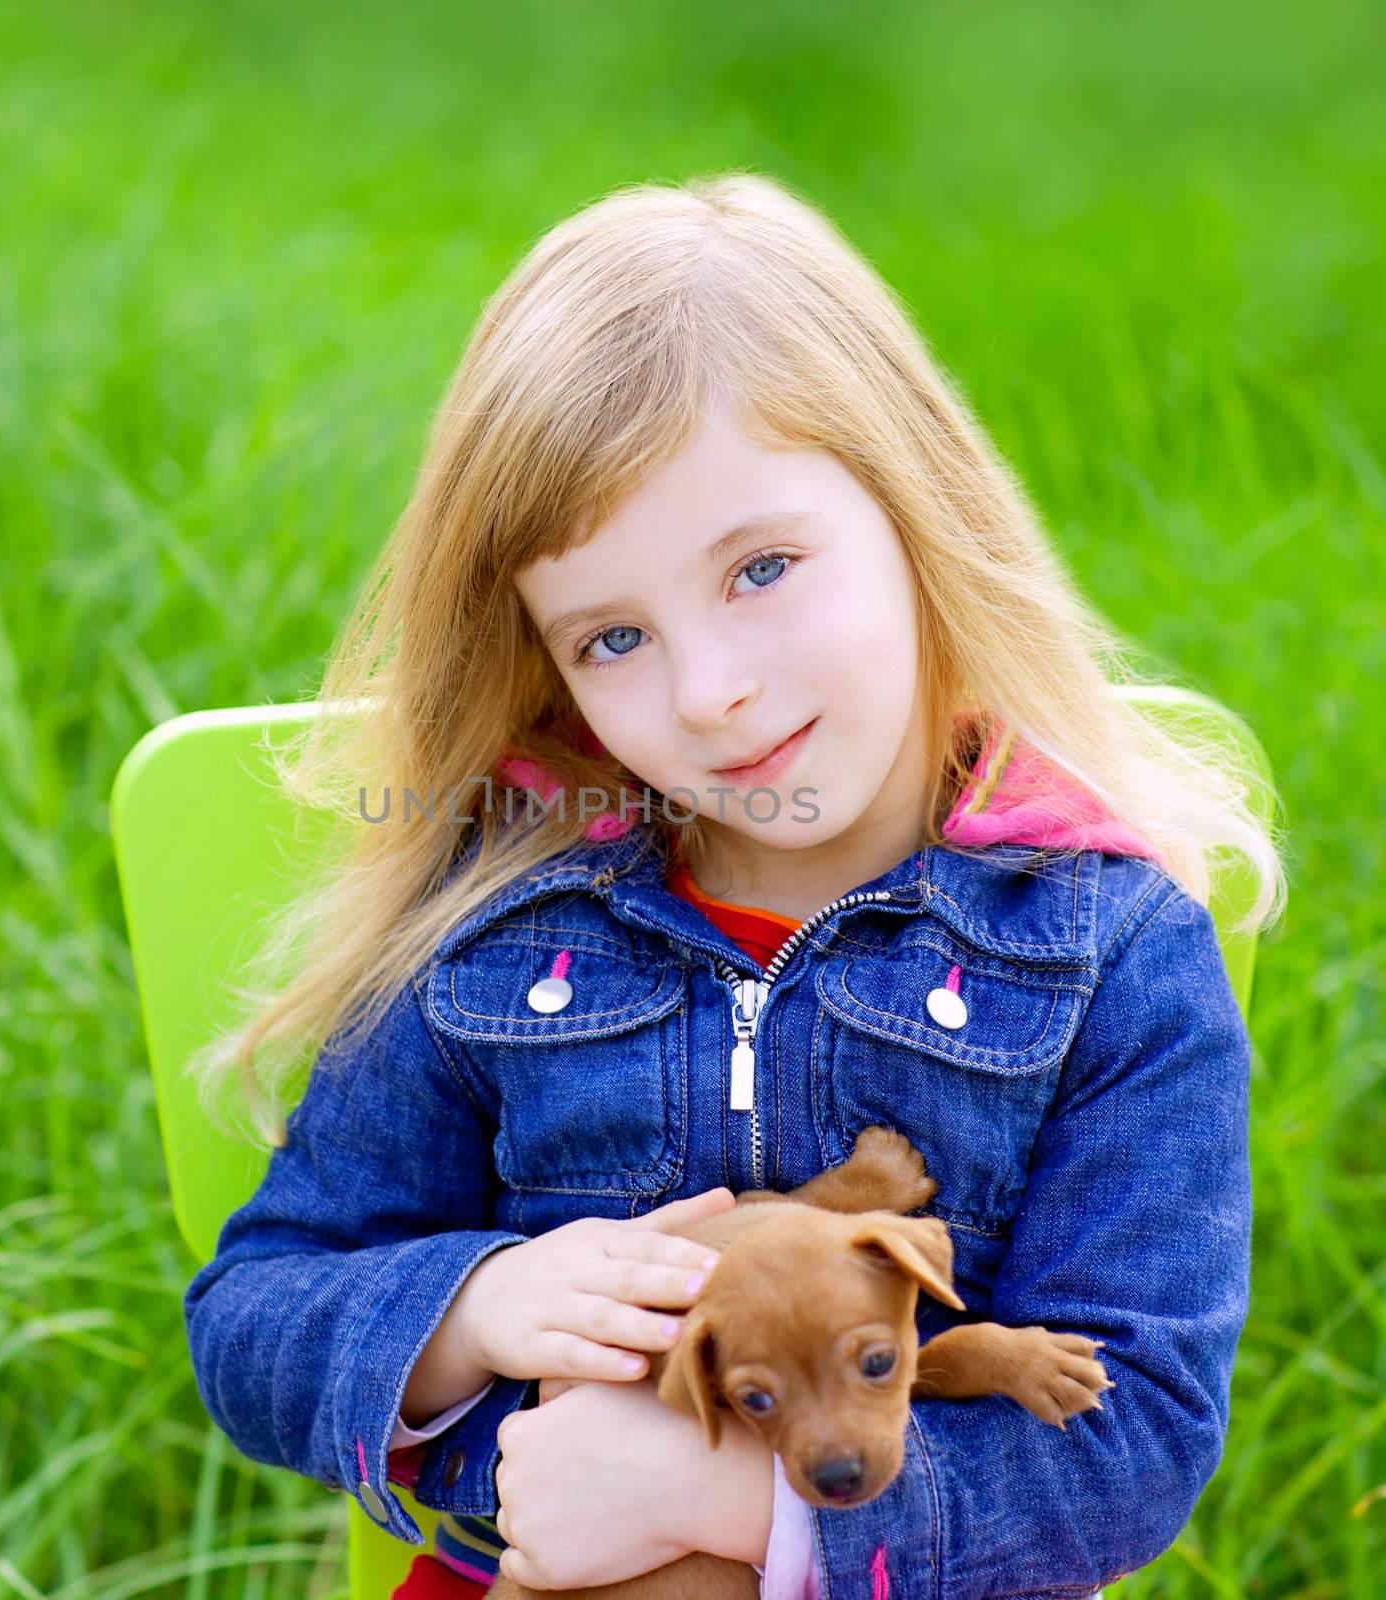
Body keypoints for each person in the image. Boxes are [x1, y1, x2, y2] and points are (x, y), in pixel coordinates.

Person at [181, 172, 1284, 1600]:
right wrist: (473, 1311)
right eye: (612, 638)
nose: (712, 690)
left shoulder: (1105, 947)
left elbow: (1134, 1431)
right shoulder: (505, 922)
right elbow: (258, 1312)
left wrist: (736, 1500)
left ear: (913, 509)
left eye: (760, 567)